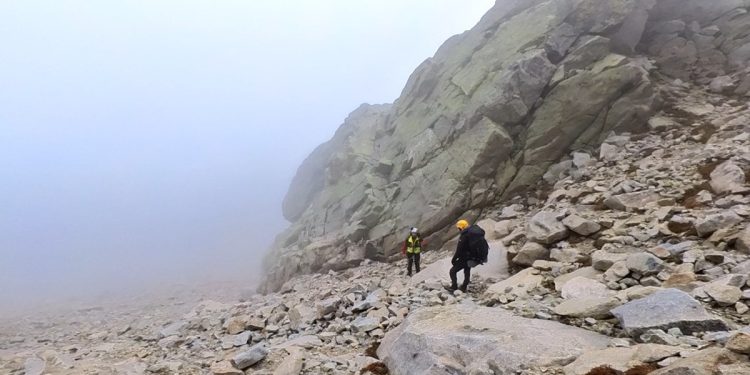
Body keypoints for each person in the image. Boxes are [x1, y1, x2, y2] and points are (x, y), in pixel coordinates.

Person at [450, 219, 472, 292]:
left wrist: (454, 259)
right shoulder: (471, 233)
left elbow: (459, 249)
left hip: (464, 258)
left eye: (459, 228)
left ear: (461, 227)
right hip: (471, 257)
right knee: (467, 271)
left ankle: (454, 286)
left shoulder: (464, 236)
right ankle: (464, 287)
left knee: (452, 271)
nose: (458, 229)